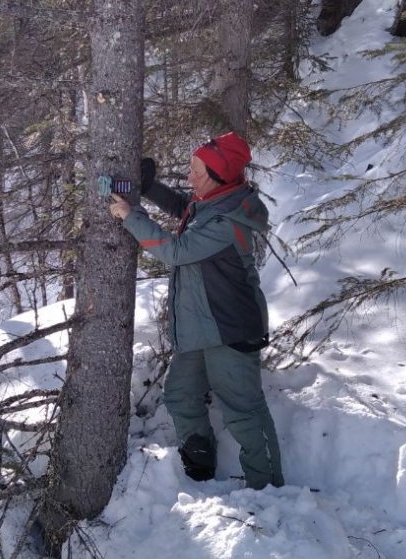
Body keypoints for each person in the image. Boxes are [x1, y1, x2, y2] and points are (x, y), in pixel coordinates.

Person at [108, 132, 284, 489]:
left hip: (231, 327)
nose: (189, 177)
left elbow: (175, 250)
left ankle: (268, 490)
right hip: (202, 326)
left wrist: (131, 215)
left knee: (243, 411)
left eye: (196, 172)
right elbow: (184, 207)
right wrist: (150, 187)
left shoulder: (229, 221)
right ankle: (200, 470)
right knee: (181, 394)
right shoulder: (218, 200)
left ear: (219, 177)